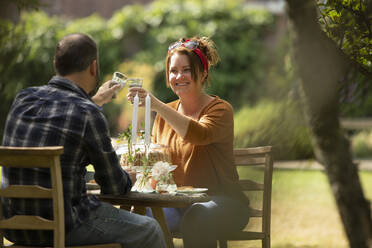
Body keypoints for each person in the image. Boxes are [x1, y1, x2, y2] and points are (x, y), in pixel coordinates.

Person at [1, 33, 166, 248]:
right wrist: (128, 178)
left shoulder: (23, 98)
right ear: (93, 67)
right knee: (149, 230)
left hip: (14, 226)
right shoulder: (88, 113)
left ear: (55, 64)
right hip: (66, 225)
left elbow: (53, 158)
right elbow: (115, 187)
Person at [128, 36, 250, 248]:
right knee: (137, 220)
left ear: (203, 73)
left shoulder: (220, 110)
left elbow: (198, 135)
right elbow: (157, 166)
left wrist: (155, 104)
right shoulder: (163, 116)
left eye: (186, 70)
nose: (179, 76)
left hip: (224, 203)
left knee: (197, 216)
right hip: (177, 205)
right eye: (173, 71)